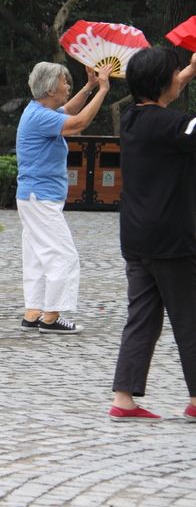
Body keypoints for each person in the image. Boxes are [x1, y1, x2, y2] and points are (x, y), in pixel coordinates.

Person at [108, 47, 196, 421]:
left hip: (137, 237)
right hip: (172, 239)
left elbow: (163, 95)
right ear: (162, 84)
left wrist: (188, 71)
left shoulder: (130, 119)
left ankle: (123, 398)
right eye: (174, 75)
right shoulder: (172, 126)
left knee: (141, 318)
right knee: (190, 319)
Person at [15, 62, 110, 333]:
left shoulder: (39, 111)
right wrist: (103, 89)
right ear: (49, 88)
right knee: (63, 256)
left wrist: (89, 87)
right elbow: (78, 122)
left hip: (34, 198)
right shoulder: (39, 116)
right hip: (40, 199)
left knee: (36, 256)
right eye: (63, 82)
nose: (67, 85)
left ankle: (33, 313)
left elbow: (68, 112)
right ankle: (51, 317)